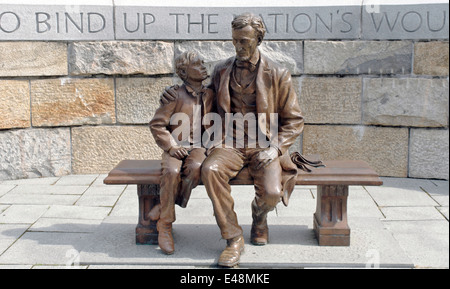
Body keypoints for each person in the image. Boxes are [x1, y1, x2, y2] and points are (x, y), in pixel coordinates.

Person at [161, 13, 304, 267]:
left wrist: (275, 148)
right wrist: (174, 92)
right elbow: (202, 95)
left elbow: (294, 121)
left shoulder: (278, 74)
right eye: (235, 40)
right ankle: (233, 238)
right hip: (230, 142)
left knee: (272, 193)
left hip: (265, 144)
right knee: (210, 169)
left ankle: (259, 217)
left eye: (245, 41)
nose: (239, 47)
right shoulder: (222, 70)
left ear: (259, 39)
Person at [149, 51, 214, 255]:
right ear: (184, 72)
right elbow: (157, 124)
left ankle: (164, 206)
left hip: (199, 147)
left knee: (196, 167)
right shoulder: (175, 95)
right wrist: (171, 146)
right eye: (197, 63)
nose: (203, 66)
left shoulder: (211, 94)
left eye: (203, 62)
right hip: (176, 145)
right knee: (171, 172)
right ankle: (165, 225)